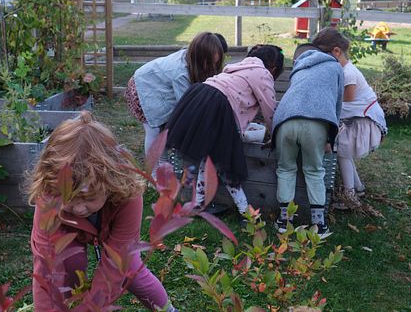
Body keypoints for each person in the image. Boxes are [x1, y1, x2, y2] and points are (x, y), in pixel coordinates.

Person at [26, 112, 175, 311]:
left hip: (114, 237)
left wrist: (92, 308)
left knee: (132, 271)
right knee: (68, 264)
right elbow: (46, 269)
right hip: (64, 232)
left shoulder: (127, 196)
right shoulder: (49, 199)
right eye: (69, 199)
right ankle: (68, 304)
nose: (79, 208)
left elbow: (116, 264)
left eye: (89, 198)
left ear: (109, 183)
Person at [165, 44, 284, 219]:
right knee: (227, 162)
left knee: (211, 158)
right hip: (217, 106)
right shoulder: (262, 73)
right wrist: (275, 135)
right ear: (273, 68)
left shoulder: (238, 66)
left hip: (199, 96)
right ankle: (245, 211)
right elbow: (270, 111)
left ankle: (198, 204)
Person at [272, 28, 346, 233]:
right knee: (314, 170)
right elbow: (337, 105)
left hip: (285, 120)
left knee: (285, 169)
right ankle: (318, 223)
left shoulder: (300, 66)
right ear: (336, 51)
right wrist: (331, 136)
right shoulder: (335, 68)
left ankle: (284, 221)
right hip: (317, 121)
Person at [125, 32, 228, 156]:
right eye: (208, 62)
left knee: (165, 126)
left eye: (215, 63)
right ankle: (152, 170)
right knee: (154, 129)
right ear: (198, 56)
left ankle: (162, 162)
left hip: (158, 85)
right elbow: (186, 106)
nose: (210, 67)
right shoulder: (180, 73)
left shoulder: (192, 58)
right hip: (141, 86)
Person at [333, 33, 388, 211]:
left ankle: (351, 198)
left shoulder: (348, 73)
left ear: (336, 52)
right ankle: (358, 188)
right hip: (360, 117)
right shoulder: (346, 69)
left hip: (366, 121)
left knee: (342, 150)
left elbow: (346, 102)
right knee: (343, 150)